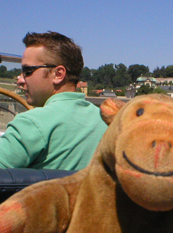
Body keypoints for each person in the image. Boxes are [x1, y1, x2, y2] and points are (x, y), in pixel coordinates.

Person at [0, 31, 108, 170]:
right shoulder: (106, 123)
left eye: (27, 71)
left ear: (58, 74)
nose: (20, 80)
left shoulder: (31, 123)